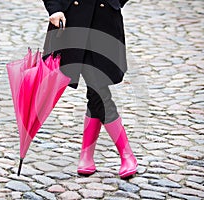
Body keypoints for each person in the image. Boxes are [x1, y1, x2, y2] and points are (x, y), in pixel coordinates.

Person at [42, 0, 137, 178]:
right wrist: (54, 9)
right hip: (71, 21)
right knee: (98, 90)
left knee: (96, 90)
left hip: (104, 20)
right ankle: (126, 155)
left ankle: (87, 156)